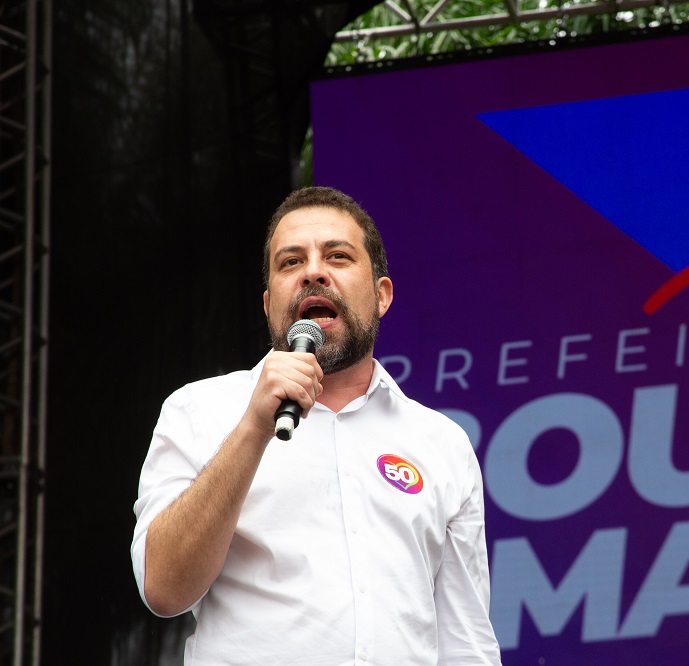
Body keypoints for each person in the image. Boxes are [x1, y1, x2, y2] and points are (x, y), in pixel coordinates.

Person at [131, 186, 502, 665]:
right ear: (269, 304)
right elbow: (163, 589)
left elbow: (466, 641)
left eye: (338, 256)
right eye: (290, 262)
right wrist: (253, 429)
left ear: (382, 295)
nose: (312, 272)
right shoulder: (200, 410)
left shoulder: (441, 443)